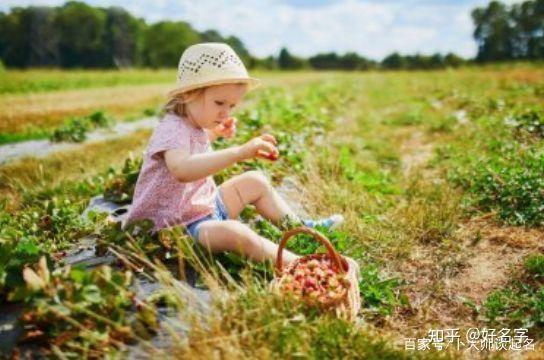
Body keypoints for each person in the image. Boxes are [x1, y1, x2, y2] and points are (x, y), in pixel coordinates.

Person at [124, 43, 343, 267]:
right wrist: (238, 153)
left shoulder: (193, 126)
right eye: (219, 103)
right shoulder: (171, 128)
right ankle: (301, 265)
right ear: (189, 93)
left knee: (255, 181)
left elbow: (192, 147)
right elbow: (182, 169)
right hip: (173, 230)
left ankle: (301, 230)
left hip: (203, 209)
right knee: (237, 233)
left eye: (231, 106)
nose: (225, 113)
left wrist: (213, 134)